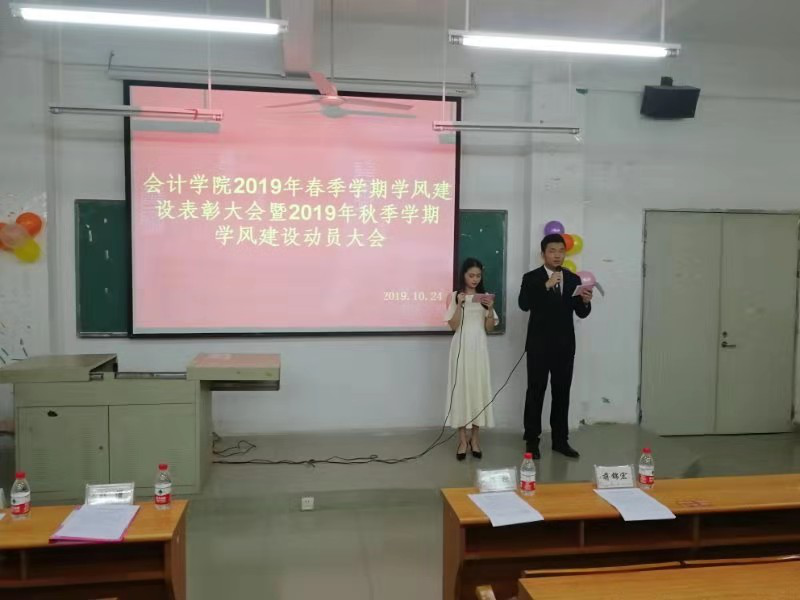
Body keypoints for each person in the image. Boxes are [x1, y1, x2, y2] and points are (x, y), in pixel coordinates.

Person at [518, 234, 593, 459]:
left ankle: (560, 440)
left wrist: (586, 302)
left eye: (561, 251)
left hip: (564, 347)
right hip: (538, 346)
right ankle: (532, 441)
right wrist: (546, 285)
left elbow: (581, 312)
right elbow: (524, 304)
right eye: (552, 251)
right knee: (535, 392)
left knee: (562, 393)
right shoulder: (532, 278)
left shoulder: (572, 279)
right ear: (543, 254)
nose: (557, 255)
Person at [444, 258, 499, 460]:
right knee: (460, 390)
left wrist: (490, 309)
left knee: (478, 389)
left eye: (478, 276)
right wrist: (459, 305)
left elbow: (489, 328)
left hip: (479, 347)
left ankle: (475, 439)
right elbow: (453, 326)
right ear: (463, 276)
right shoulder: (454, 296)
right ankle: (462, 440)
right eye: (471, 275)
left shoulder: (485, 297)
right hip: (460, 346)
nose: (475, 279)